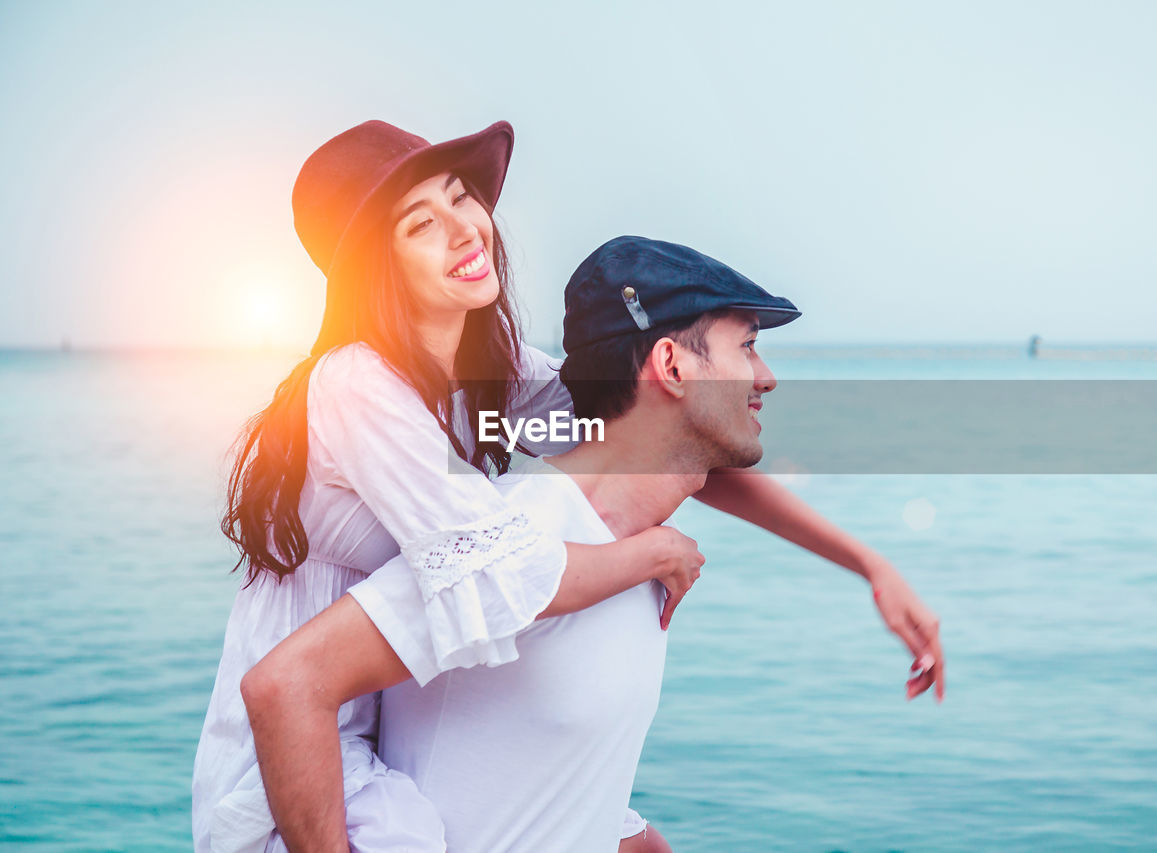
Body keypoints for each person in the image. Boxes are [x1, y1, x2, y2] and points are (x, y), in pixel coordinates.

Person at [195, 118, 943, 852]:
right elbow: (496, 571)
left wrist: (868, 564)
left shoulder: (494, 370)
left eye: (461, 198)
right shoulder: (357, 384)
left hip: (382, 715)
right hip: (297, 756)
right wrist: (653, 553)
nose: (463, 230)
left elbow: (665, 435)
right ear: (376, 268)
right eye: (420, 224)